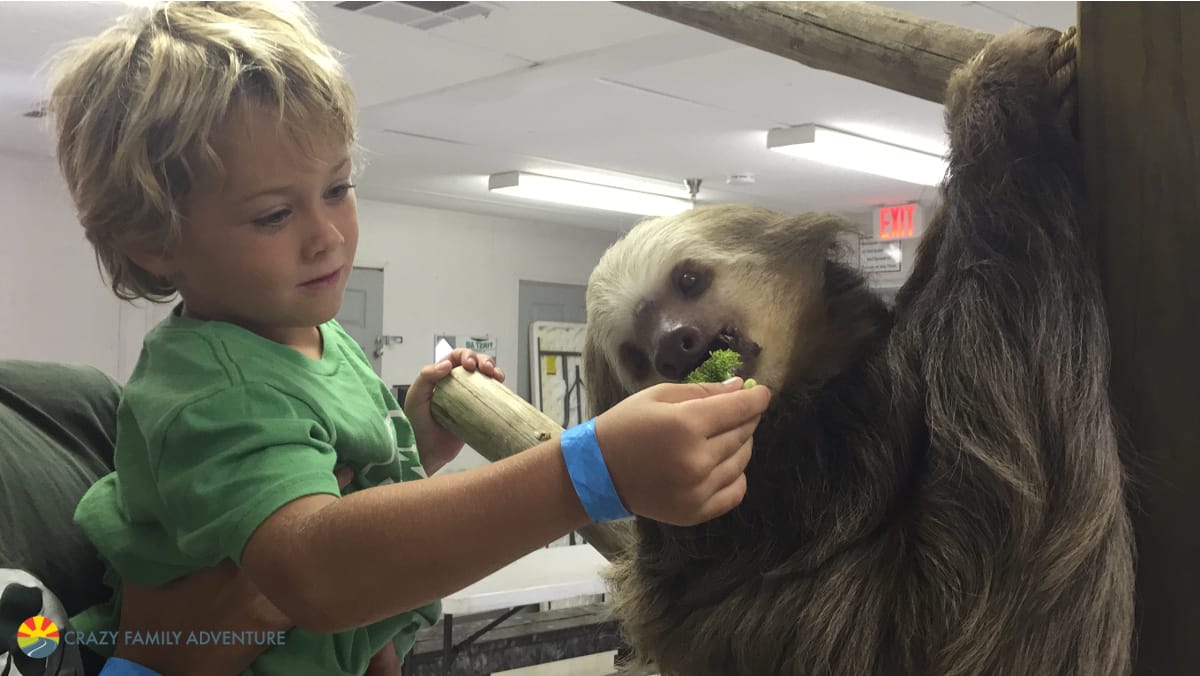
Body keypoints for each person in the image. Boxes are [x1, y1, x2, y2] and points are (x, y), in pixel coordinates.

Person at [46, 2, 771, 675]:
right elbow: (318, 570)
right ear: (152, 243)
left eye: (338, 188)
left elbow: (324, 481)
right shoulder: (214, 386)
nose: (326, 236)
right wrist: (588, 473)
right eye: (273, 215)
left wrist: (413, 445)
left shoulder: (313, 338)